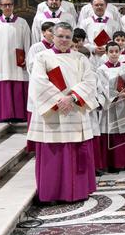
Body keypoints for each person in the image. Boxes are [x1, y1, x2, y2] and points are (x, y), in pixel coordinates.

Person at [27, 22, 98, 203]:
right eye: (60, 36)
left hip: (74, 109)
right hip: (53, 114)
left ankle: (77, 192)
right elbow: (38, 83)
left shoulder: (81, 58)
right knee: (54, 155)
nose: (64, 40)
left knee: (74, 153)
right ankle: (52, 193)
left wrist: (72, 97)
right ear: (52, 37)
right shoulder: (42, 57)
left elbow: (89, 81)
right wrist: (59, 100)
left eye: (68, 37)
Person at [0, 0, 32, 123]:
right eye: (5, 5)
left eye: (10, 4)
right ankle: (4, 115)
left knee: (19, 86)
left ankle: (20, 115)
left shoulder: (22, 22)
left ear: (13, 6)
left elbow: (28, 41)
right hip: (2, 62)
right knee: (3, 86)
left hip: (19, 62)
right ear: (0, 7)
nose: (7, 7)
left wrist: (28, 58)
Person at [96, 41, 125, 173]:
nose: (114, 54)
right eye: (111, 51)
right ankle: (112, 163)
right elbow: (102, 88)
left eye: (117, 51)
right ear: (106, 53)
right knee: (111, 134)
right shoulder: (101, 69)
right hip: (111, 107)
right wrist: (116, 95)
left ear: (120, 52)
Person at [83, 0, 121, 65]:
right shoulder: (85, 22)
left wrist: (106, 48)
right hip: (91, 56)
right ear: (92, 6)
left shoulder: (114, 23)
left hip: (108, 56)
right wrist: (93, 49)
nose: (99, 7)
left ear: (106, 6)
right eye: (96, 5)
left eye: (101, 5)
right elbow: (83, 39)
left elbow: (116, 40)